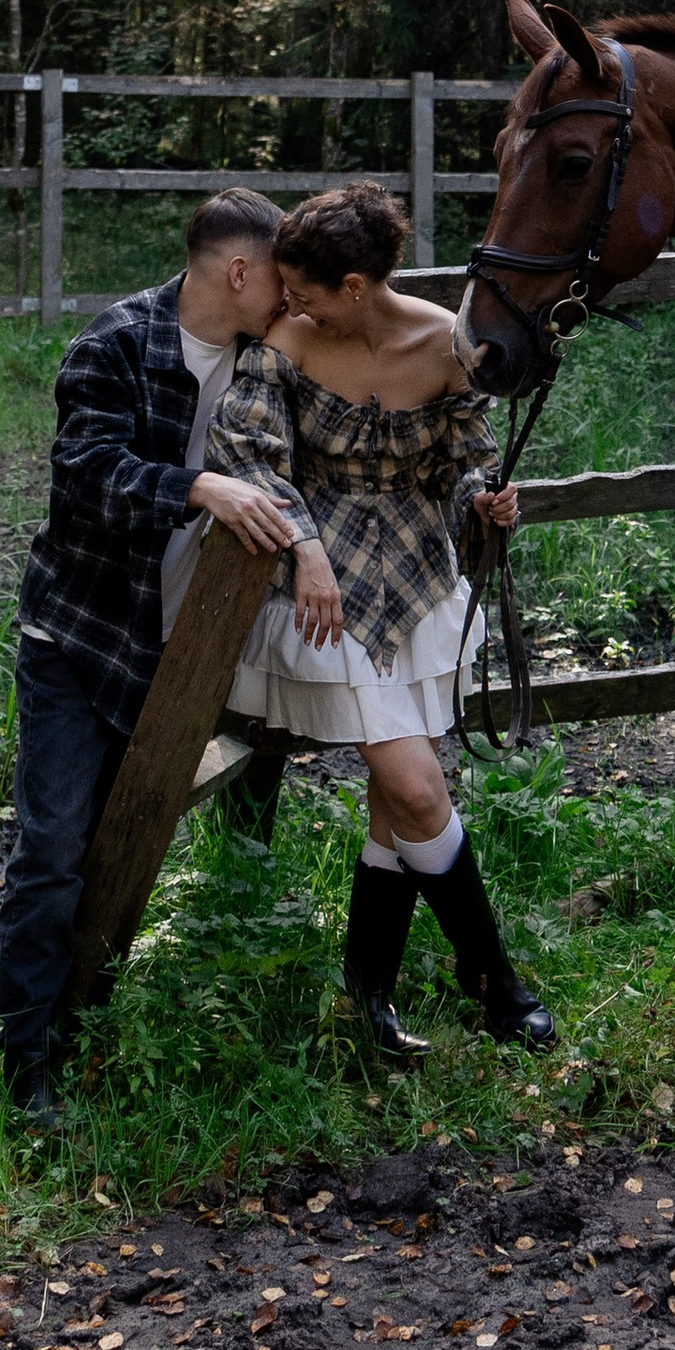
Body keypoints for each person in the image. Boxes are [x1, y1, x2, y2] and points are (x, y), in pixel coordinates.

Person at [212, 176, 555, 1064]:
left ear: (356, 289)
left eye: (307, 289)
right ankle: (497, 984)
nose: (289, 302)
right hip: (322, 595)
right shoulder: (286, 341)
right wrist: (304, 545)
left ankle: (368, 992)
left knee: (391, 803)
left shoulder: (447, 343)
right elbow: (245, 452)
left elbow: (467, 461)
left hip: (419, 582)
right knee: (414, 786)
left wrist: (490, 500)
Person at [0, 184, 301, 1125]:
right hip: (84, 640)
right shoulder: (114, 344)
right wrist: (201, 485)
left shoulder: (271, 357)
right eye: (281, 280)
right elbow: (88, 479)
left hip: (195, 650)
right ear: (239, 270)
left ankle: (102, 1011)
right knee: (53, 851)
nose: (293, 298)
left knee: (136, 834)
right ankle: (27, 1064)